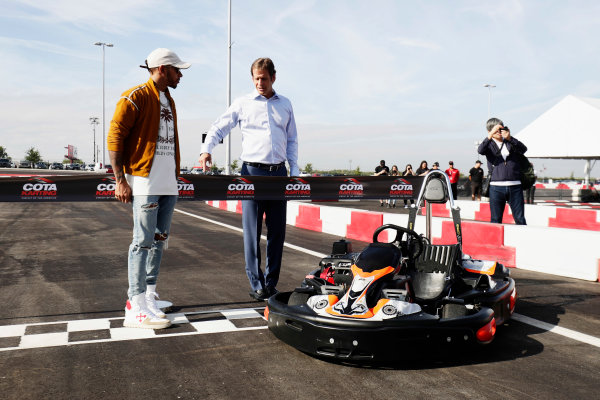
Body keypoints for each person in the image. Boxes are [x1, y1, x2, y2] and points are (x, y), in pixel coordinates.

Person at [198, 57, 299, 301]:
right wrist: (206, 149)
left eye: (264, 78)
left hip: (279, 176)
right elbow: (220, 126)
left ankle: (271, 283)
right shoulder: (243, 103)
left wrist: (294, 172)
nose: (260, 83)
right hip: (251, 175)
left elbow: (292, 139)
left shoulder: (285, 104)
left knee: (277, 233)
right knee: (251, 232)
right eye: (256, 79)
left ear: (273, 77)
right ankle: (257, 284)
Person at [107, 48, 191, 329]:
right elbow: (115, 135)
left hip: (168, 182)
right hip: (144, 181)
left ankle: (150, 296)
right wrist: (120, 180)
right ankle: (134, 303)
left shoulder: (169, 99)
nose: (181, 75)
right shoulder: (136, 96)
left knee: (159, 240)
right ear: (163, 68)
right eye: (177, 70)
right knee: (141, 242)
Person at [478, 117, 527, 225]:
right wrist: (490, 136)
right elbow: (480, 150)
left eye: (501, 129)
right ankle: (494, 241)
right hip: (496, 187)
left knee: (520, 219)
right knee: (495, 219)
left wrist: (510, 138)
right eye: (496, 130)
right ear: (490, 131)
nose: (499, 132)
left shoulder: (510, 142)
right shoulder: (489, 144)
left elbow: (523, 149)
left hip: (515, 186)